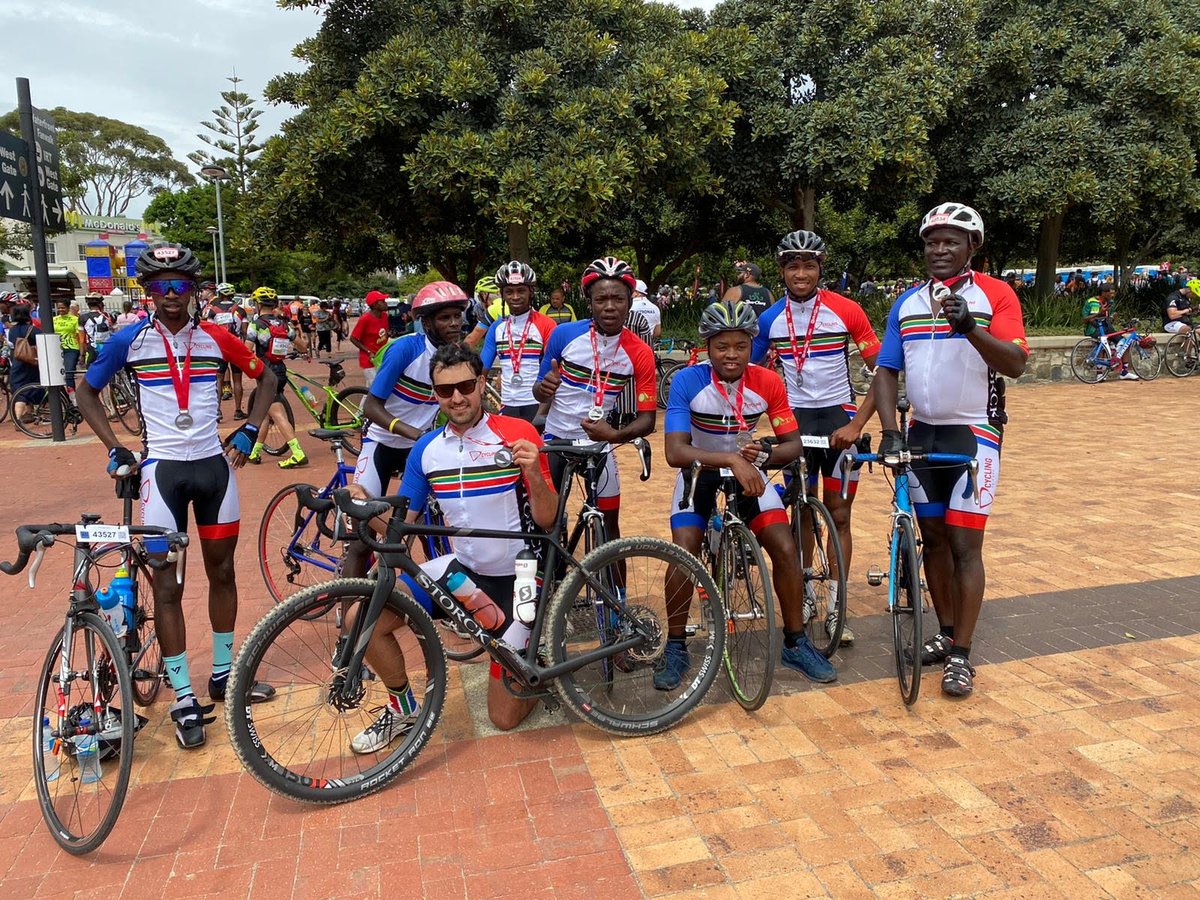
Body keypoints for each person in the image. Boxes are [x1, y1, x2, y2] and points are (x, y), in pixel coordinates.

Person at [75, 242, 279, 749]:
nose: (171, 294)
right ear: (148, 291)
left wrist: (251, 429)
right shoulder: (130, 340)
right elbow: (85, 392)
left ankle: (224, 675)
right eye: (161, 286)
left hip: (215, 468)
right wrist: (115, 446)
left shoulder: (216, 337)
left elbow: (268, 378)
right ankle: (183, 696)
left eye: (180, 285)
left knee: (223, 573)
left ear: (193, 290)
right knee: (167, 586)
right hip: (161, 471)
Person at [345, 343, 558, 749]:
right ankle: (403, 709)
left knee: (503, 718)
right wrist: (363, 503)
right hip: (462, 573)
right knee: (362, 618)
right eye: (445, 390)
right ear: (435, 394)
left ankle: (532, 656)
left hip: (520, 578)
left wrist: (533, 474)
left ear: (482, 383)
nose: (457, 398)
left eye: (465, 386)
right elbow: (400, 527)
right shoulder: (427, 450)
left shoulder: (517, 432)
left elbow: (548, 520)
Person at [872, 202, 1028, 698]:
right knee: (934, 541)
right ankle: (944, 631)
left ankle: (962, 654)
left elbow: (1016, 363)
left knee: (964, 546)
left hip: (974, 434)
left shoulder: (996, 294)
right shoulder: (907, 302)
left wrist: (970, 327)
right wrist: (890, 429)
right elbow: (886, 371)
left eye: (950, 242)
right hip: (923, 433)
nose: (939, 250)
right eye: (931, 242)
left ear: (971, 247)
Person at [661, 300, 836, 688]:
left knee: (785, 547)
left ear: (751, 346)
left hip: (749, 473)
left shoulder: (768, 381)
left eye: (740, 346)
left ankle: (795, 642)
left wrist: (766, 454)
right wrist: (730, 459)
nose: (731, 354)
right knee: (683, 553)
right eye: (722, 346)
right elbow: (675, 451)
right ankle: (674, 647)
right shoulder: (688, 380)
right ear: (707, 347)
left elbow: (793, 445)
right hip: (699, 473)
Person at [752, 230, 882, 647]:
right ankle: (806, 594)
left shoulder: (846, 310)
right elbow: (748, 374)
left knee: (839, 516)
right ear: (782, 271)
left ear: (820, 269)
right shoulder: (769, 319)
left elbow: (883, 371)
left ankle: (838, 605)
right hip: (795, 426)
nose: (801, 274)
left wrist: (858, 425)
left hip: (840, 422)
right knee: (802, 513)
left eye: (809, 265)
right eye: (793, 266)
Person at [342, 281, 470, 582]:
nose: (454, 323)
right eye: (445, 318)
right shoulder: (405, 349)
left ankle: (436, 597)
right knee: (362, 539)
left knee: (432, 528)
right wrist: (413, 433)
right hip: (381, 442)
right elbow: (371, 406)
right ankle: (349, 608)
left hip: (416, 449)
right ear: (426, 322)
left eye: (457, 316)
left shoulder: (456, 355)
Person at [533, 257, 657, 549]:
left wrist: (613, 435)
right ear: (589, 301)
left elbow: (647, 420)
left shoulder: (640, 352)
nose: (610, 306)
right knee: (546, 522)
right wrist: (544, 389)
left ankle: (612, 580)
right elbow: (538, 392)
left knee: (610, 527)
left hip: (600, 444)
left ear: (630, 302)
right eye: (601, 299)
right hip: (555, 439)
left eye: (618, 299)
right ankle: (550, 571)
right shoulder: (563, 334)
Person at [481, 261, 557, 422]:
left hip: (537, 405)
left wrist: (541, 414)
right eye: (509, 291)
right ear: (502, 294)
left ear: (531, 292)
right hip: (507, 404)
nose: (515, 297)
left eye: (521, 291)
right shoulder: (496, 328)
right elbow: (481, 370)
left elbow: (554, 371)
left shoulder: (546, 324)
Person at [245, 286, 309, 468]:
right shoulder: (283, 324)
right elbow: (302, 346)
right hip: (280, 371)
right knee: (266, 413)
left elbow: (246, 350)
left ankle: (297, 453)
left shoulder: (256, 324)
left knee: (277, 413)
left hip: (266, 374)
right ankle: (255, 452)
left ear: (258, 304)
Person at [203, 282, 249, 418]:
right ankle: (238, 411)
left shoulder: (213, 310)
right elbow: (244, 331)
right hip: (236, 346)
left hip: (220, 348)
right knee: (237, 379)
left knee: (219, 379)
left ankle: (217, 410)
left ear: (220, 294)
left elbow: (209, 331)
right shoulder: (240, 310)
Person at [1081, 283, 1136, 379]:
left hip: (1107, 327)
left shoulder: (1110, 303)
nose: (1112, 295)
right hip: (1094, 328)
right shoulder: (1092, 302)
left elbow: (1108, 317)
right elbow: (1084, 320)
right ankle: (1099, 374)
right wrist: (1099, 313)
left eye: (1113, 293)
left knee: (1126, 343)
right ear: (1103, 293)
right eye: (1110, 293)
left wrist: (1113, 318)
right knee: (1102, 344)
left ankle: (1124, 372)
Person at [7, 303, 42, 425]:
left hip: (17, 362)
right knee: (31, 388)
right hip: (32, 363)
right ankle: (21, 416)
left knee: (19, 390)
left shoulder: (12, 331)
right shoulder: (32, 329)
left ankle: (23, 416)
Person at [349, 290, 392, 388]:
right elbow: (353, 338)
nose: (385, 303)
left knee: (370, 389)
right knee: (377, 387)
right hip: (369, 360)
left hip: (381, 358)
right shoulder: (365, 319)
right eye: (382, 301)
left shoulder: (385, 316)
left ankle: (365, 399)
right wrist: (368, 351)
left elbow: (384, 334)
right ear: (375, 305)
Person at [465, 276, 503, 349]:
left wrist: (457, 353)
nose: (480, 301)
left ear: (485, 295)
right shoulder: (511, 304)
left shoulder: (493, 309)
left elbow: (472, 339)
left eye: (480, 297)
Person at [52, 299, 82, 391]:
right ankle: (62, 395)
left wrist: (82, 353)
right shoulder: (53, 320)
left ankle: (72, 395)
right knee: (56, 375)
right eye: (59, 308)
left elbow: (79, 336)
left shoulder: (75, 319)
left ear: (68, 308)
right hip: (57, 349)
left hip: (71, 348)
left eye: (63, 308)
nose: (60, 310)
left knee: (69, 374)